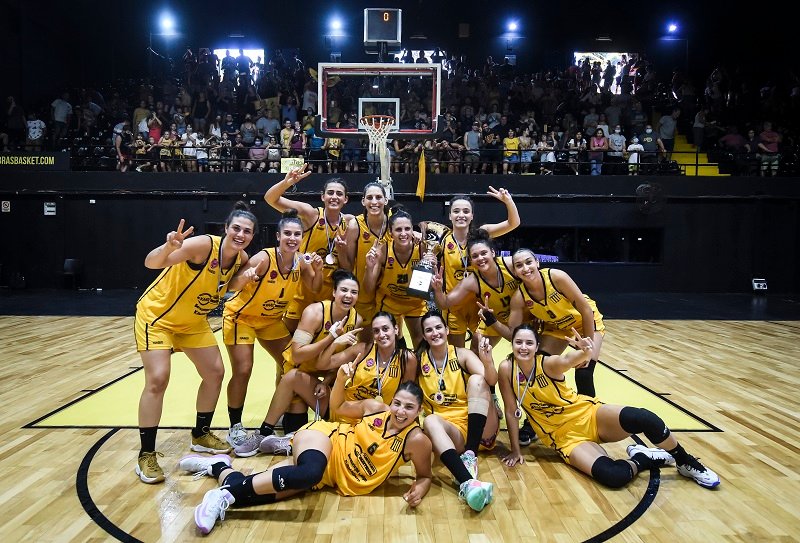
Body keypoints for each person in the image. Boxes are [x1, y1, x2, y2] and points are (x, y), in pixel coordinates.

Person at [183, 381, 433, 535]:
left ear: (419, 410)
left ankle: (218, 468)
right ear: (391, 401)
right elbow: (338, 408)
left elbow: (424, 476)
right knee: (308, 472)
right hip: (325, 440)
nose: (400, 411)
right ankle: (222, 496)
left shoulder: (417, 440)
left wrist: (418, 493)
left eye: (409, 407)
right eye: (397, 403)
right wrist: (343, 378)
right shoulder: (375, 409)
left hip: (330, 477)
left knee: (249, 497)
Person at [497, 324, 720, 490]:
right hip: (565, 438)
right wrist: (515, 450)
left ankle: (684, 461)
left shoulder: (548, 363)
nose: (523, 347)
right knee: (613, 477)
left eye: (529, 343)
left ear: (537, 347)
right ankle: (644, 458)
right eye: (519, 342)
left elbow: (568, 361)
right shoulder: (506, 369)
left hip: (587, 414)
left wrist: (585, 351)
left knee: (645, 418)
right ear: (512, 344)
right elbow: (510, 410)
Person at [134, 203, 257, 484]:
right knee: (158, 379)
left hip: (192, 322)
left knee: (215, 373)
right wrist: (168, 248)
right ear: (226, 229)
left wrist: (243, 280)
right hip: (157, 317)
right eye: (236, 228)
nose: (241, 234)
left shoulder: (241, 259)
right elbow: (151, 262)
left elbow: (227, 286)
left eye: (247, 231)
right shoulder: (202, 246)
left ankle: (201, 434)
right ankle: (146, 454)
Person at [232, 269, 364, 456]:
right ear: (334, 292)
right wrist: (331, 338)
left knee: (300, 434)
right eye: (344, 290)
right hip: (298, 368)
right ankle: (264, 434)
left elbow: (339, 362)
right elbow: (298, 355)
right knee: (294, 425)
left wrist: (326, 382)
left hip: (317, 377)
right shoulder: (314, 313)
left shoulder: (355, 319)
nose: (348, 296)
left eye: (354, 292)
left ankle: (268, 433)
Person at [222, 211, 323, 447]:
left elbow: (316, 288)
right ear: (278, 236)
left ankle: (284, 412)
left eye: (297, 234)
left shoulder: (301, 261)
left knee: (294, 361)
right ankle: (235, 426)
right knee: (244, 368)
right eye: (287, 233)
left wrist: (317, 270)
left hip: (270, 320)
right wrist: (245, 277)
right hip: (241, 317)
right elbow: (232, 284)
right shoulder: (264, 258)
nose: (292, 238)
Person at [490, 248, 605, 401]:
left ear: (536, 263)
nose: (525, 268)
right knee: (538, 368)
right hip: (557, 327)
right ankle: (542, 413)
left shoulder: (556, 277)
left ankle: (592, 416)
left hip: (584, 321)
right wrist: (491, 320)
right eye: (519, 265)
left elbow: (586, 310)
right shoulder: (519, 298)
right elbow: (513, 334)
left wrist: (587, 348)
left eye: (528, 262)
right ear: (515, 272)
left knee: (584, 372)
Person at [414, 311, 498, 512]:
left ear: (447, 330)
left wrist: (487, 361)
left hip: (479, 426)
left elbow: (492, 381)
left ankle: (471, 454)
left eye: (438, 327)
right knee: (430, 420)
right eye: (429, 330)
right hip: (451, 433)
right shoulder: (418, 360)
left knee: (478, 380)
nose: (435, 333)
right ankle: (468, 484)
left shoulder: (462, 354)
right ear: (424, 336)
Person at [264, 166, 351, 332]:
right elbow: (270, 199)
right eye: (330, 193)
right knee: (290, 350)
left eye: (339, 194)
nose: (334, 197)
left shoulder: (350, 223)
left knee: (322, 349)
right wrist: (286, 182)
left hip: (329, 298)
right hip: (302, 293)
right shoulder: (310, 214)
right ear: (322, 196)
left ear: (345, 199)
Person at [431, 190, 519, 349]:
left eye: (466, 211)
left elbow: (513, 223)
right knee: (457, 354)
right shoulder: (442, 239)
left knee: (479, 352)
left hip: (480, 305)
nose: (461, 215)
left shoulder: (481, 234)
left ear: (472, 215)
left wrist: (508, 201)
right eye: (456, 211)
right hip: (454, 305)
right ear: (449, 216)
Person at [317, 311, 418, 422]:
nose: (381, 334)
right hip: (344, 410)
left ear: (396, 329)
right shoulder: (363, 350)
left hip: (377, 419)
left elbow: (408, 396)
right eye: (376, 331)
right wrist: (335, 342)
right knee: (295, 376)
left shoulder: (406, 359)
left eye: (385, 329)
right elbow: (322, 364)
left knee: (373, 406)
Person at [362, 207, 433, 348]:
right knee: (388, 345)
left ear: (413, 230)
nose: (403, 233)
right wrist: (370, 267)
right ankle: (399, 345)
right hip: (389, 302)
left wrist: (429, 268)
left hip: (415, 303)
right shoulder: (383, 250)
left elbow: (428, 288)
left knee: (422, 344)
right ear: (390, 232)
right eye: (398, 230)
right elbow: (368, 289)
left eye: (407, 229)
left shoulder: (423, 248)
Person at [339, 182, 392, 321]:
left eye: (378, 197)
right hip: (364, 294)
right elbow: (348, 267)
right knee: (365, 339)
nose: (374, 202)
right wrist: (341, 251)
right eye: (369, 197)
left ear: (385, 200)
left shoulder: (394, 225)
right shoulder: (355, 225)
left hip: (388, 294)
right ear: (363, 201)